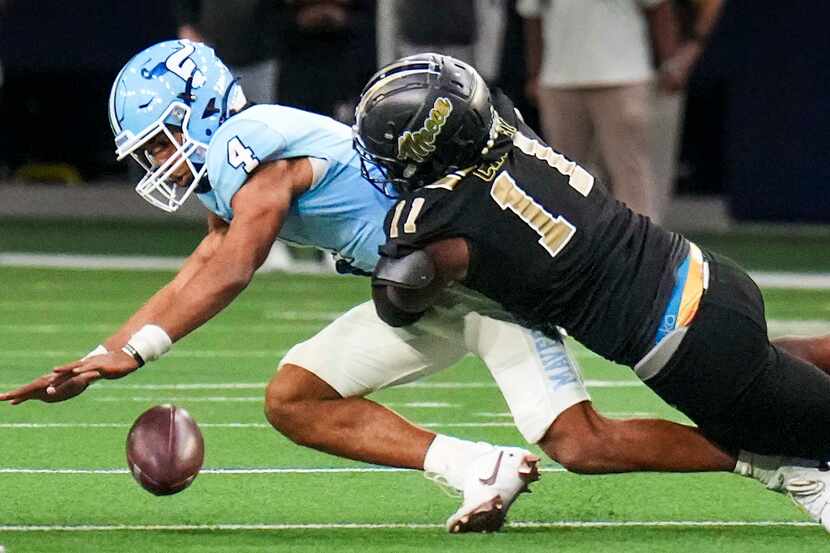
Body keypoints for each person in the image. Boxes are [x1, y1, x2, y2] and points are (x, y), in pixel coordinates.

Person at [0, 41, 818, 534]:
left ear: (200, 111)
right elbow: (210, 253)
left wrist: (135, 353)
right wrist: (107, 350)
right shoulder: (236, 168)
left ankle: (774, 461)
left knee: (579, 441)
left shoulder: (249, 138)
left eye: (162, 141)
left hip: (479, 276)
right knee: (294, 396)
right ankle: (475, 466)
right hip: (422, 289)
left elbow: (232, 262)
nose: (159, 162)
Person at [354, 53, 830, 531]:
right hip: (708, 275)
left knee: (792, 432)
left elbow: (398, 303)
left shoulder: (432, 221)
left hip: (688, 347)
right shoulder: (506, 121)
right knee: (772, 368)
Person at [519, 0, 681, 223]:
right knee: (562, 174)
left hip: (624, 77)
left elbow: (657, 7)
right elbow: (532, 15)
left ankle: (641, 250)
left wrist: (670, 63)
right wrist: (536, 72)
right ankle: (567, 247)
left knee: (629, 171)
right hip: (560, 78)